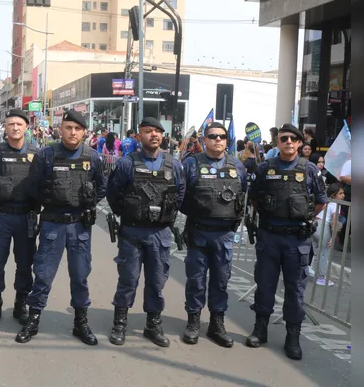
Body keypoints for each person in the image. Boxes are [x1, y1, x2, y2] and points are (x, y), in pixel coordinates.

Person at [16, 110, 107, 346]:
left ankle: (81, 323)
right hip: (53, 224)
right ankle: (33, 320)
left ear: (84, 132)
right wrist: (53, 202)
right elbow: (33, 186)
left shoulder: (93, 157)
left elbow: (101, 187)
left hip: (80, 226)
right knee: (44, 275)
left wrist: (84, 205)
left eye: (77, 129)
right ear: (61, 129)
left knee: (80, 276)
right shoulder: (46, 155)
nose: (73, 132)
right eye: (68, 127)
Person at [245, 124, 327, 360]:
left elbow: (321, 201)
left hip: (296, 240)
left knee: (295, 290)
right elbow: (254, 198)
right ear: (277, 142)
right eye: (284, 138)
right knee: (265, 285)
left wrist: (304, 218)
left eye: (293, 138)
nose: (289, 142)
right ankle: (260, 329)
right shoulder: (264, 168)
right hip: (269, 237)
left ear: (300, 143)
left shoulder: (310, 170)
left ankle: (293, 336)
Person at [106, 117, 185, 347]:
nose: (154, 135)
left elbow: (180, 194)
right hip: (132, 232)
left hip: (160, 233)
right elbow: (113, 194)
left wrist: (165, 215)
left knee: (156, 281)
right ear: (139, 135)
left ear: (163, 136)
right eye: (148, 131)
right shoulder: (126, 163)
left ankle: (153, 324)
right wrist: (130, 214)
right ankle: (120, 323)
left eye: (158, 131)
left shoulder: (174, 165)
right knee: (128, 279)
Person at [179, 122, 247, 348]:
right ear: (204, 140)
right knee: (196, 280)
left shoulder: (237, 166)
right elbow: (180, 195)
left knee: (220, 281)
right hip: (198, 232)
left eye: (222, 137)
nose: (218, 140)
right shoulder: (191, 164)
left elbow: (242, 193)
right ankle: (193, 322)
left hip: (224, 235)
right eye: (213, 136)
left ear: (227, 141)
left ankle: (217, 324)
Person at [0, 109, 38, 326]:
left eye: (19, 124)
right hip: (1, 217)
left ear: (26, 127)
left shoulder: (36, 154)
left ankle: (21, 304)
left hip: (26, 218)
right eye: (10, 124)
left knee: (24, 264)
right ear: (5, 128)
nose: (15, 127)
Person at [310, 183, 343, 286]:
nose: (343, 195)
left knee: (315, 251)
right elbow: (334, 220)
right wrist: (333, 237)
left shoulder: (327, 202)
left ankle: (310, 271)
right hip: (323, 226)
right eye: (340, 193)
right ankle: (321, 278)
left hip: (314, 225)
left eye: (343, 193)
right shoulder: (335, 205)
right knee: (324, 253)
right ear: (334, 195)